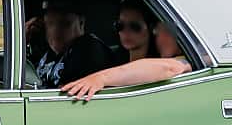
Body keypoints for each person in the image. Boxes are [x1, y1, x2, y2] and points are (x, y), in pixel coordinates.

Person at [60, 18, 190, 98]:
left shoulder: (188, 60)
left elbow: (169, 68)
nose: (161, 37)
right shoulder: (114, 59)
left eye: (135, 26)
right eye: (120, 25)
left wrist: (101, 78)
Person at [27, 0, 114, 88]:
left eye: (65, 24)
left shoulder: (88, 49)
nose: (55, 31)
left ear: (81, 23)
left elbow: (65, 93)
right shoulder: (48, 51)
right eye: (50, 23)